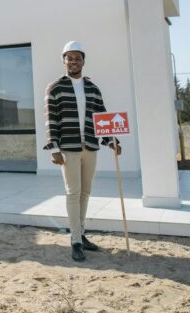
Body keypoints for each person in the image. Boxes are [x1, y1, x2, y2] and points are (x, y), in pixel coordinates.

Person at [44, 41, 121, 262]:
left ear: (83, 61)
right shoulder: (55, 87)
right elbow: (51, 120)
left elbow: (102, 119)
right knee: (73, 193)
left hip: (90, 147)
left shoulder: (93, 89)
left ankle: (81, 234)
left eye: (77, 58)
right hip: (68, 149)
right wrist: (54, 148)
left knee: (85, 193)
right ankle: (75, 241)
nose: (73, 61)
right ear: (63, 61)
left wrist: (112, 141)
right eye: (69, 58)